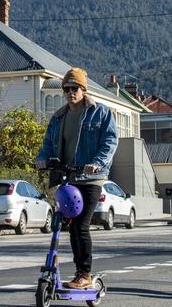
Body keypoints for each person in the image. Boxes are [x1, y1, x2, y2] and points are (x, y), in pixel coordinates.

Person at [35, 68, 118, 289]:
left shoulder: (100, 113)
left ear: (83, 89)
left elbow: (110, 142)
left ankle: (85, 274)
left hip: (91, 178)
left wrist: (97, 163)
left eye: (75, 88)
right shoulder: (58, 117)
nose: (70, 92)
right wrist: (42, 159)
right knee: (70, 227)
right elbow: (47, 145)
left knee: (81, 225)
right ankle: (78, 272)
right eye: (67, 89)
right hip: (67, 177)